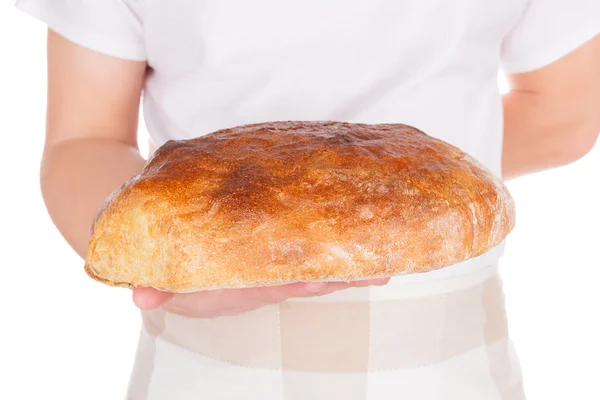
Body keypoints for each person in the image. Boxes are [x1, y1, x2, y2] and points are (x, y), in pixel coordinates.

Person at [15, 0, 599, 399]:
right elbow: (84, 141)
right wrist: (165, 272)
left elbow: (564, 113)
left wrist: (373, 204)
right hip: (202, 348)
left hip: (446, 361)